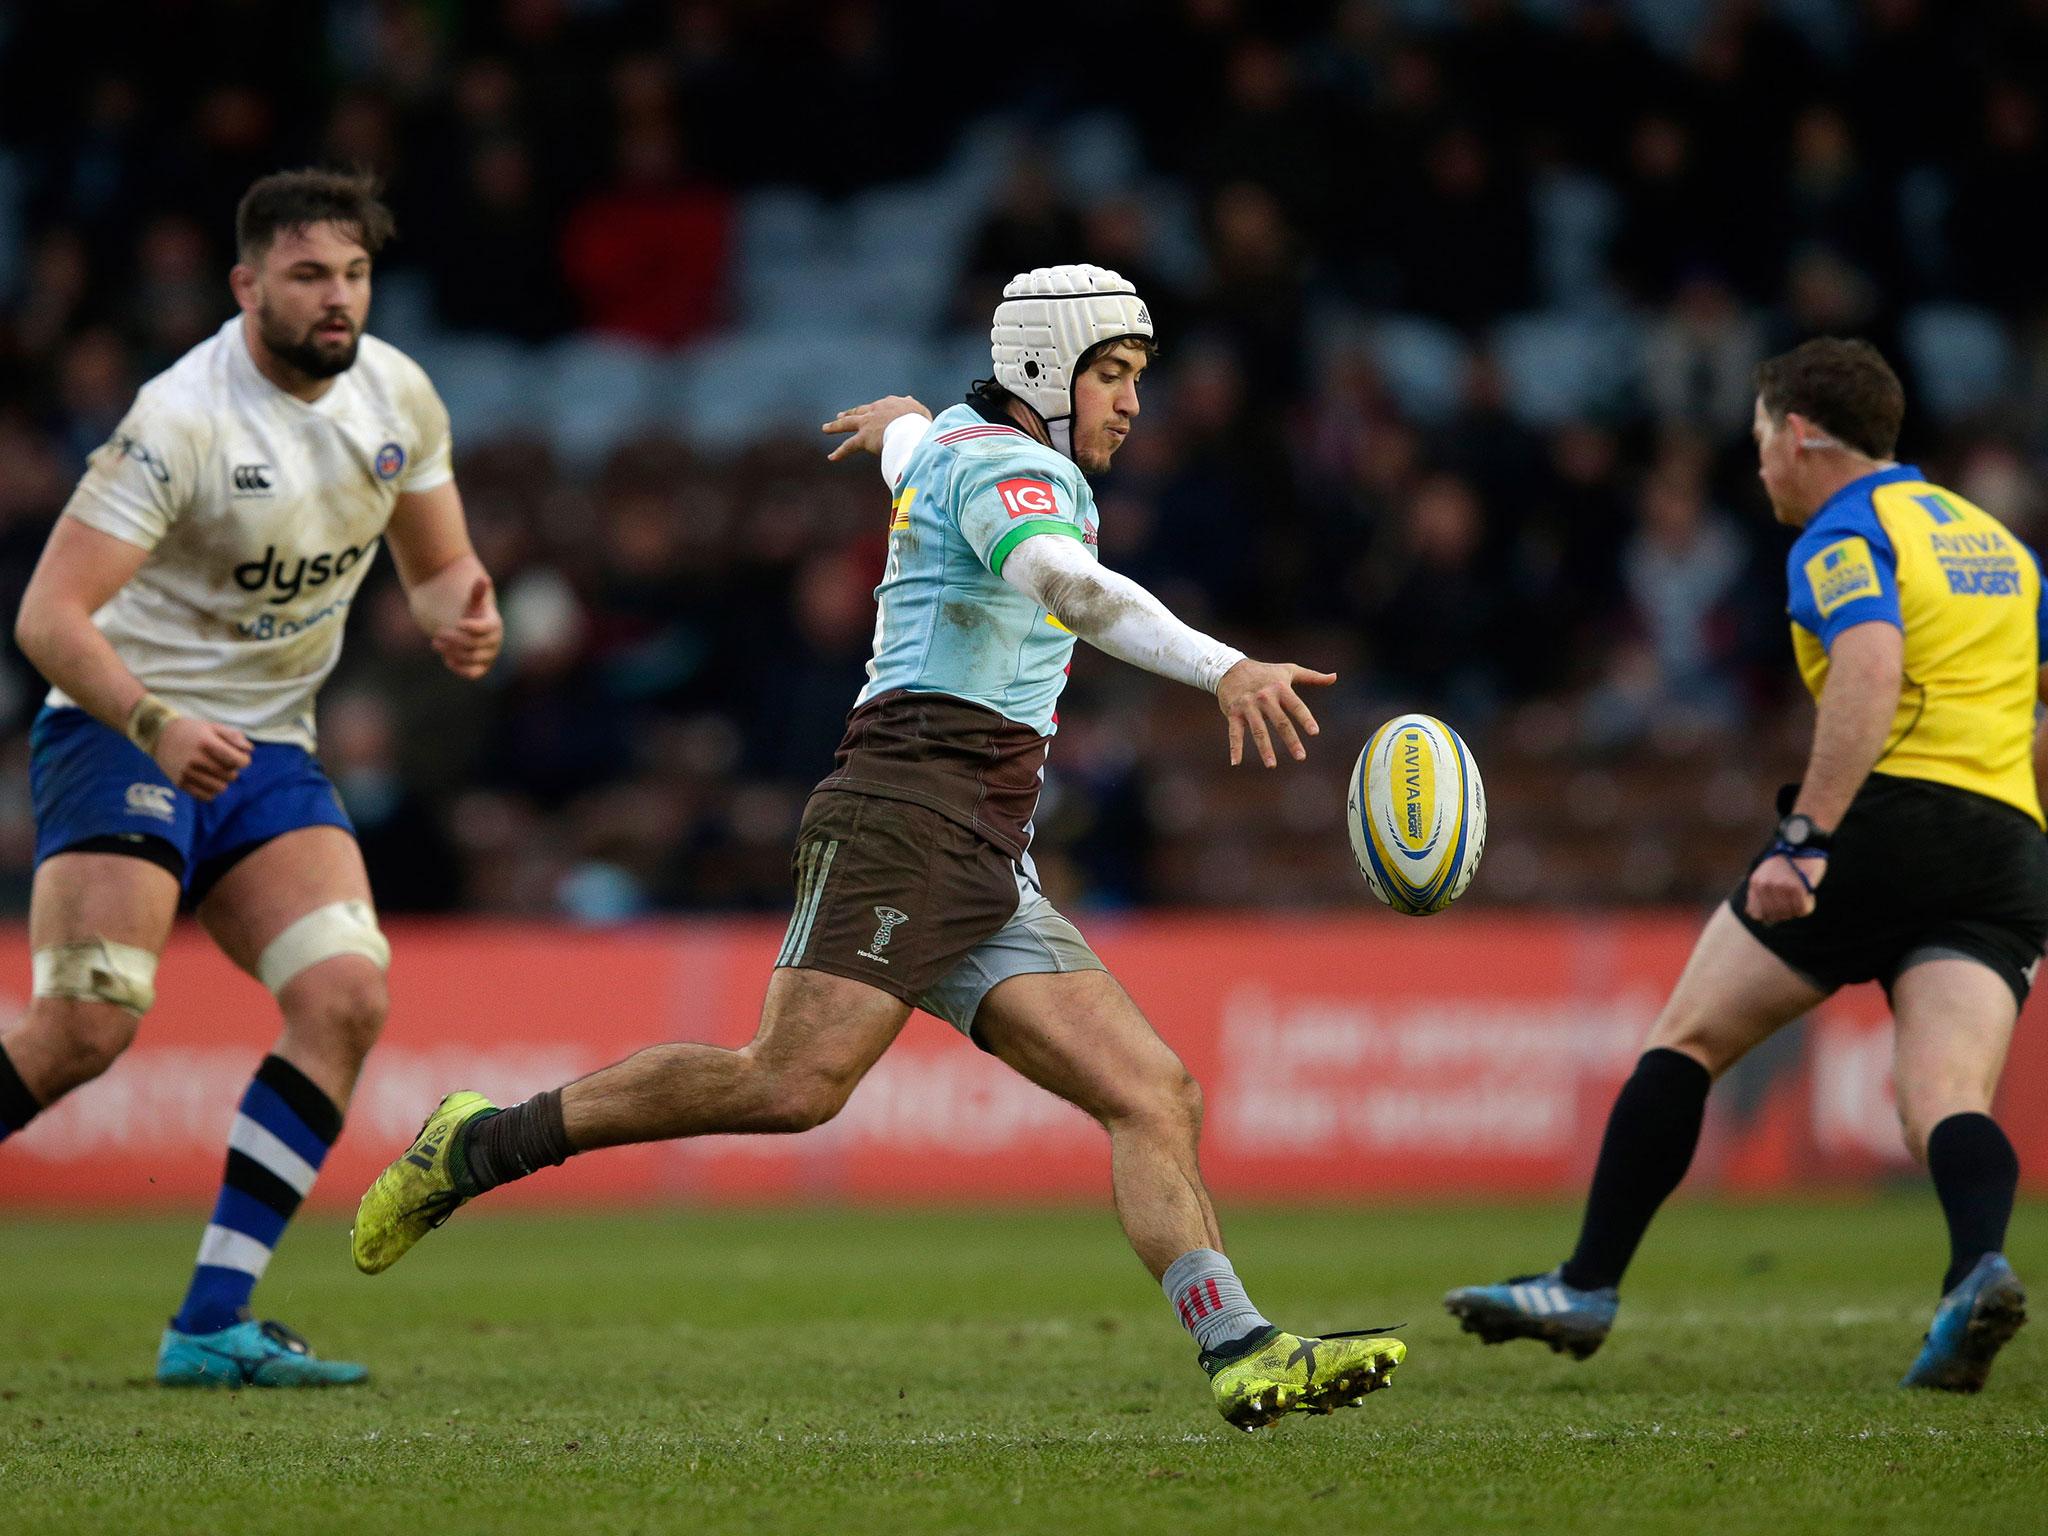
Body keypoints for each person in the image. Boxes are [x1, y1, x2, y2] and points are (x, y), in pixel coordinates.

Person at [352, 264, 1405, 1429]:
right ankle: (479, 1144)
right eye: (1112, 375)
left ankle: (1240, 1347)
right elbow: (1067, 584)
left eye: (1137, 378)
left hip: (983, 847)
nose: (1131, 404)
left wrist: (894, 418)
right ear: (1048, 374)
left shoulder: (955, 439)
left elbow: (916, 442)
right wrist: (1225, 667)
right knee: (789, 1085)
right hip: (903, 816)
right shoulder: (1017, 471)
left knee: (1152, 1094)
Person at [1445, 337, 2042, 1392]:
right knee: (1946, 1095)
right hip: (2002, 841)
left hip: (1884, 822)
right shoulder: (1997, 546)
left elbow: (1868, 667)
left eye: (1761, 441)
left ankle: (1584, 1282)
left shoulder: (1841, 533)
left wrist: (1803, 840)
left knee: (1686, 1037)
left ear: (1800, 434)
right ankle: (1971, 1272)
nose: (1757, 465)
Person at [4, 169, 502, 1387]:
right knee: (84, 1030)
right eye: (308, 276)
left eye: (354, 275)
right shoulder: (181, 420)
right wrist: (155, 720)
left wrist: (460, 615)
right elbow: (48, 617)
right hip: (122, 732)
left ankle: (210, 1323)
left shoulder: (397, 393)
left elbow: (437, 568)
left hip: (271, 749)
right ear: (247, 286)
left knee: (345, 999)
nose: (337, 300)